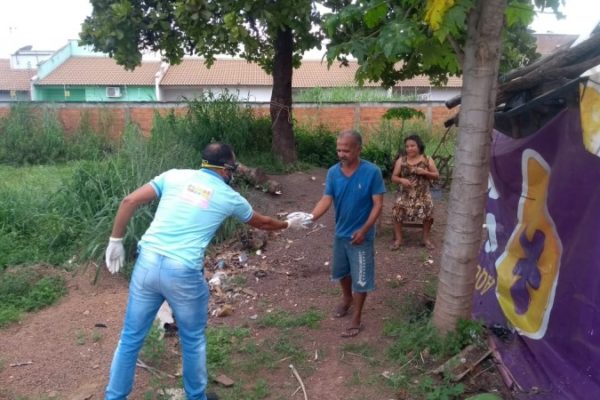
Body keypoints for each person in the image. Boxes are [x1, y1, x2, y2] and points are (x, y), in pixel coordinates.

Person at [103, 143, 307, 400]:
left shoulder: (173, 175)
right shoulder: (228, 196)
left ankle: (113, 397)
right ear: (226, 169)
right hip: (183, 273)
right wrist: (288, 223)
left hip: (148, 263)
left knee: (130, 338)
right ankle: (196, 397)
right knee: (192, 339)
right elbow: (264, 222)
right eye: (233, 167)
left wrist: (115, 240)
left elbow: (129, 200)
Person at [308, 130, 385, 338]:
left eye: (346, 150)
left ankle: (357, 317)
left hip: (362, 235)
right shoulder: (333, 172)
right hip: (341, 233)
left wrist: (365, 230)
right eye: (339, 150)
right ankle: (347, 299)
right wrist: (311, 217)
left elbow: (378, 205)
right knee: (341, 272)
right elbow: (326, 198)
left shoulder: (372, 172)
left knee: (361, 278)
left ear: (358, 149)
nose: (342, 154)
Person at [390, 134, 440, 250]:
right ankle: (398, 239)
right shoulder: (401, 160)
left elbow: (437, 176)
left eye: (412, 146)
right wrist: (401, 180)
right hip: (405, 194)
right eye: (407, 146)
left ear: (419, 146)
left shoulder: (427, 159)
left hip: (422, 194)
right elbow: (393, 177)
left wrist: (425, 172)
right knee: (397, 207)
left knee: (428, 206)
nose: (409, 148)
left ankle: (425, 239)